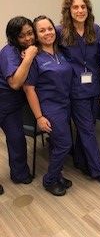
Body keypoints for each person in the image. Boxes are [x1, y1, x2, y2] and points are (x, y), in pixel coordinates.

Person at [57, 0, 100, 190]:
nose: (80, 10)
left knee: (88, 126)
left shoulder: (96, 30)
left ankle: (81, 161)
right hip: (74, 89)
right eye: (75, 7)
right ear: (69, 10)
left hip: (94, 87)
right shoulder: (60, 32)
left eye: (83, 7)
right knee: (88, 130)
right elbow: (46, 49)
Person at [24, 15, 73, 196]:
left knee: (55, 143)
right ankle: (50, 179)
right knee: (65, 144)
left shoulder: (60, 53)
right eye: (42, 30)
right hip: (50, 108)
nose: (47, 33)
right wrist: (39, 117)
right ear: (36, 35)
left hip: (65, 104)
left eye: (50, 28)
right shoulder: (34, 58)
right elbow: (29, 89)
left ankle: (58, 175)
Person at [0, 16, 38, 190]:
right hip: (4, 100)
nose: (28, 38)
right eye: (22, 36)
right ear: (14, 38)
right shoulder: (9, 52)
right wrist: (29, 57)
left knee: (17, 139)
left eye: (30, 33)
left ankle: (20, 174)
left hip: (12, 106)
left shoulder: (30, 48)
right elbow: (15, 83)